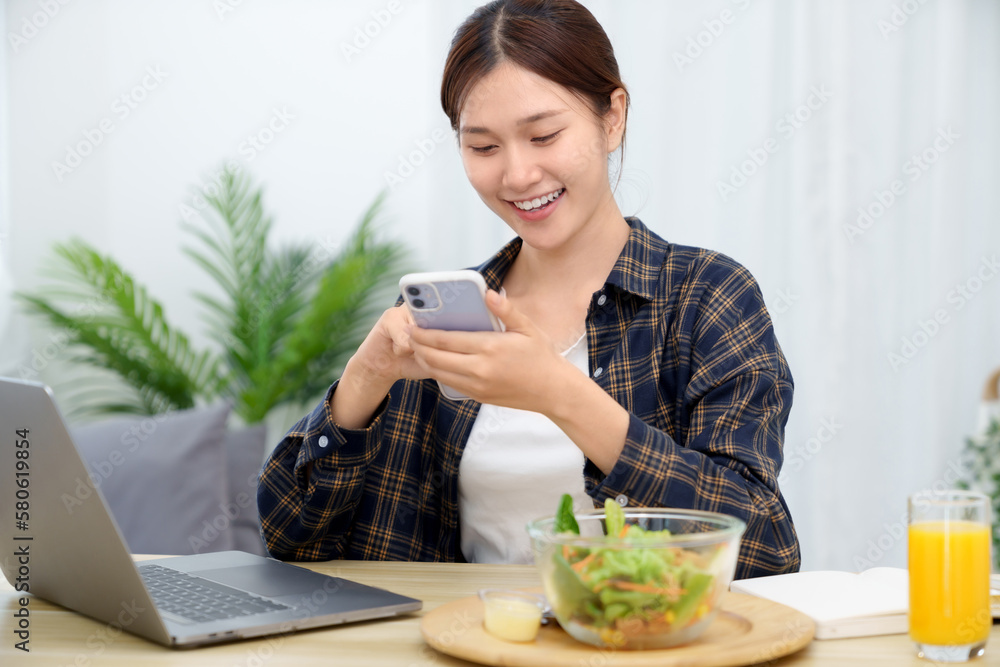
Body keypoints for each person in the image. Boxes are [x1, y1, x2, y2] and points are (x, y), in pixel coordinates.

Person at [257, 0, 800, 579]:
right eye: (484, 147)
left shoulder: (705, 296)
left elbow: (764, 547)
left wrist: (558, 393)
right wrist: (363, 380)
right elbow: (291, 540)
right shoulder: (443, 320)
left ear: (612, 117)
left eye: (543, 135)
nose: (517, 176)